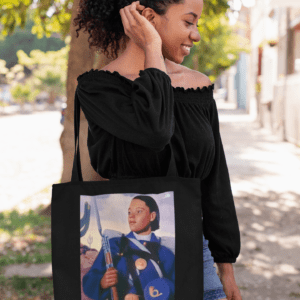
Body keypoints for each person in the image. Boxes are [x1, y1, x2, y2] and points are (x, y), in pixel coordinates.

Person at [73, 0, 242, 299]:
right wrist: (151, 45)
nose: (197, 35)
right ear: (148, 17)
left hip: (197, 258)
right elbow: (155, 131)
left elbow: (215, 182)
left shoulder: (198, 87)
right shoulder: (98, 89)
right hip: (125, 270)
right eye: (189, 22)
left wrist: (226, 272)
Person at [82, 195, 175, 300]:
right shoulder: (114, 244)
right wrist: (102, 283)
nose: (131, 216)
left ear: (152, 216)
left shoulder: (164, 252)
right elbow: (90, 281)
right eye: (129, 212)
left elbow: (176, 286)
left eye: (138, 211)